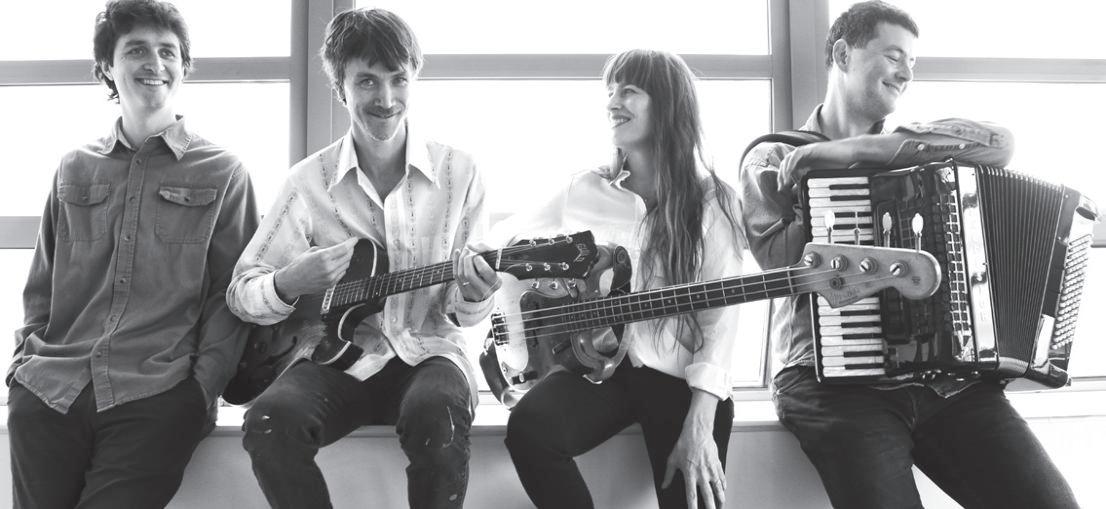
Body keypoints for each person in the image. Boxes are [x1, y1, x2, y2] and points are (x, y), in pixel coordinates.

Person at [740, 2, 1079, 508]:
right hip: (833, 383)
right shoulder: (774, 155)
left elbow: (1002, 144)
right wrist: (827, 185)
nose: (905, 73)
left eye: (913, 63)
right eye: (894, 56)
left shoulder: (916, 150)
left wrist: (852, 151)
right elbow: (781, 265)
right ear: (843, 54)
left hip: (943, 380)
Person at [225, 8, 498, 509]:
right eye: (367, 81)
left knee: (437, 413)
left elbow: (464, 314)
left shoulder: (461, 173)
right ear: (339, 88)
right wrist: (289, 282)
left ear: (414, 79)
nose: (386, 99)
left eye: (398, 79)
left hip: (429, 352)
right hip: (334, 360)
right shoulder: (307, 182)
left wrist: (475, 294)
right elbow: (241, 293)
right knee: (268, 423)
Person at [6, 0, 259, 507]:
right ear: (107, 65)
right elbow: (42, 284)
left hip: (158, 392)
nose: (155, 63)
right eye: (137, 50)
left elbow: (229, 296)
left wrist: (200, 391)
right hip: (52, 390)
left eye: (168, 51)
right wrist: (21, 372)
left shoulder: (223, 172)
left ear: (184, 66)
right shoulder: (74, 167)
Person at [496, 49, 743, 509]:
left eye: (629, 91)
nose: (613, 102)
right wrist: (492, 278)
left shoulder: (714, 200)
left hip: (681, 378)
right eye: (610, 91)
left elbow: (721, 322)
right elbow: (504, 244)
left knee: (694, 495)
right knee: (529, 428)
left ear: (667, 105)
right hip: (599, 367)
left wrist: (700, 423)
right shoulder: (583, 189)